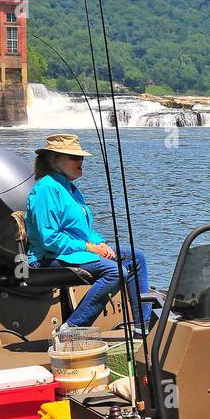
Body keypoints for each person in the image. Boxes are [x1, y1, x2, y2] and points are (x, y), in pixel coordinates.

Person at [26, 133, 151, 331]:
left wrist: (100, 244)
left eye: (81, 157)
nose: (81, 161)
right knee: (115, 272)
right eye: (74, 157)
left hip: (73, 253)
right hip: (47, 258)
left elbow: (84, 230)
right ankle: (72, 328)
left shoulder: (71, 189)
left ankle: (142, 326)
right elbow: (49, 239)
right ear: (54, 160)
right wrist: (88, 247)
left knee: (135, 257)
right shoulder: (46, 189)